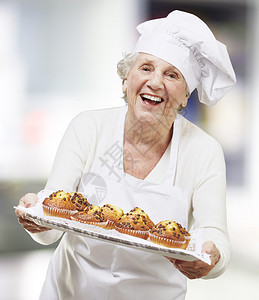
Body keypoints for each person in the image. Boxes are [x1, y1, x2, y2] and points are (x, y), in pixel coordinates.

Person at [15, 10, 236, 300]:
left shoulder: (203, 151)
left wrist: (210, 259)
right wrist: (36, 218)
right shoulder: (88, 127)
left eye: (172, 75)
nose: (155, 82)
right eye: (146, 68)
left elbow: (214, 235)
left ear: (185, 96)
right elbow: (53, 221)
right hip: (69, 292)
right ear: (126, 80)